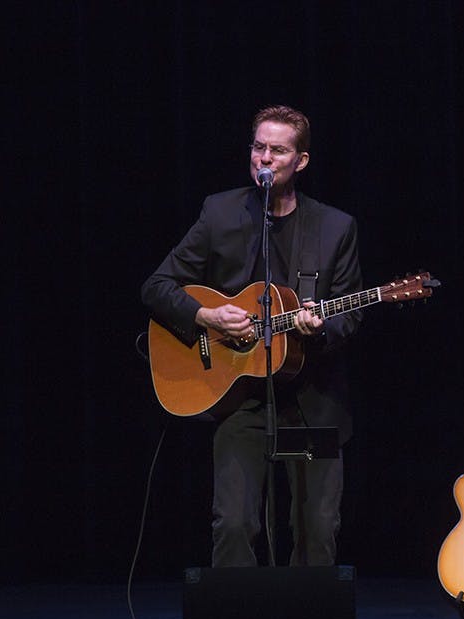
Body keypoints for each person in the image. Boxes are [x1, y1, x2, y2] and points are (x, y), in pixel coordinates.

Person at [142, 104, 363, 567]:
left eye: (277, 150)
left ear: (300, 161)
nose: (264, 158)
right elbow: (157, 287)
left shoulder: (334, 227)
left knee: (316, 532)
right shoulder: (220, 212)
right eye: (258, 147)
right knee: (235, 525)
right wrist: (207, 317)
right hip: (239, 398)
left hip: (312, 402)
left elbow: (347, 315)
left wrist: (317, 329)